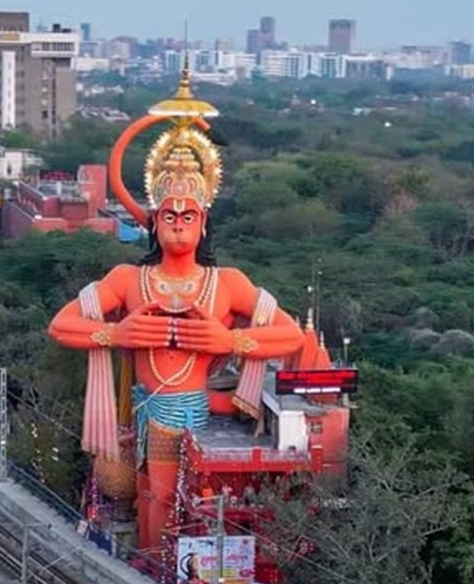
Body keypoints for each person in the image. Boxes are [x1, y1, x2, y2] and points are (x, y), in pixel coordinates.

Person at [49, 70, 305, 549]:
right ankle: (153, 570)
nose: (179, 226)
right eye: (169, 216)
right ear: (154, 221)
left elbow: (291, 336)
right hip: (146, 408)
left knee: (168, 501)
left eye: (188, 216)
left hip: (188, 412)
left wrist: (232, 341)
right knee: (149, 495)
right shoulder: (129, 279)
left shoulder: (225, 283)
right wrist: (115, 335)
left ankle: (163, 570)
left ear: (203, 221)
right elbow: (62, 325)